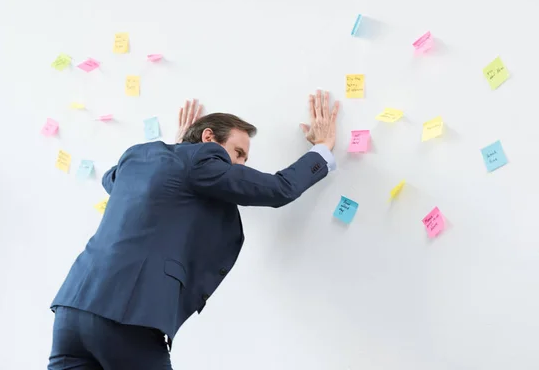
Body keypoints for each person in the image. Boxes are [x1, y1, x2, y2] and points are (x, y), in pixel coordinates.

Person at [47, 90, 340, 369]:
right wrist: (322, 148)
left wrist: (179, 151)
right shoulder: (201, 162)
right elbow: (279, 189)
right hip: (126, 316)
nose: (238, 164)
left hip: (72, 310)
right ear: (208, 138)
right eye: (237, 153)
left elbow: (114, 181)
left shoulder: (138, 156)